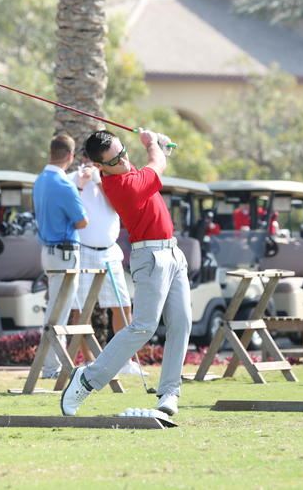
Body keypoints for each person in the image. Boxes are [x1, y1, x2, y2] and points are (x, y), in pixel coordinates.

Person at [61, 128, 191, 417]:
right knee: (143, 326)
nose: (122, 160)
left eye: (122, 152)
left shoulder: (127, 170)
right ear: (99, 166)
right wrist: (152, 143)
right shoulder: (123, 185)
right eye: (114, 160)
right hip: (150, 256)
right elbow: (157, 164)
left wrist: (159, 146)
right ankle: (87, 379)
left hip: (173, 251)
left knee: (181, 323)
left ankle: (169, 392)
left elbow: (156, 161)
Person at [66, 154, 139, 374]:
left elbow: (118, 206)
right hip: (84, 250)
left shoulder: (110, 180)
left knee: (123, 306)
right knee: (81, 310)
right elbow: (70, 210)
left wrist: (99, 181)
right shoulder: (72, 179)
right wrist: (82, 183)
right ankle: (89, 361)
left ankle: (124, 362)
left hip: (110, 251)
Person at [33, 134, 88, 379]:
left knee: (56, 310)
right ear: (70, 156)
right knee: (59, 314)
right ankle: (51, 368)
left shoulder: (40, 180)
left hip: (48, 252)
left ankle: (51, 367)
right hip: (64, 254)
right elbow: (82, 221)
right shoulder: (64, 184)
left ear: (51, 152)